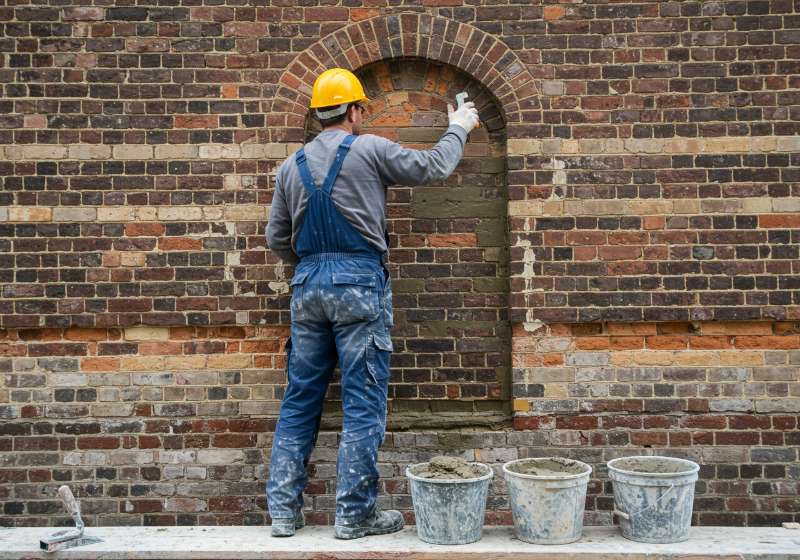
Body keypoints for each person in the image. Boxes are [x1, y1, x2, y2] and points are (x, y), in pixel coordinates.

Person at [265, 67, 480, 539]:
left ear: (320, 113)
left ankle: (283, 513)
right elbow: (433, 167)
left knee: (300, 401)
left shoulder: (290, 166)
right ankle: (354, 515)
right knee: (363, 403)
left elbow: (276, 238)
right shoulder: (370, 149)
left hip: (307, 287)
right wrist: (459, 126)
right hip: (359, 284)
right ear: (356, 110)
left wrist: (310, 264)